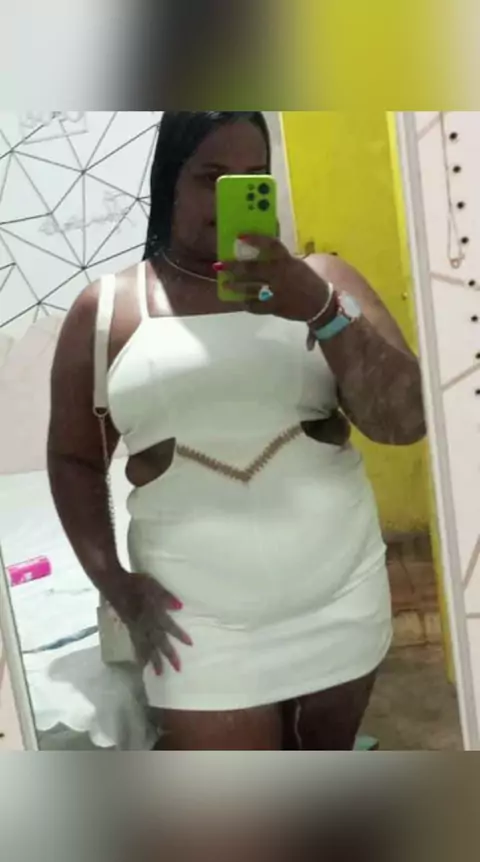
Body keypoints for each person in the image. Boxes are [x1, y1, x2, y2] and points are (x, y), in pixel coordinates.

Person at [47, 111, 425, 750]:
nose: (231, 197)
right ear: (170, 182)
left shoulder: (326, 281)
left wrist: (320, 309)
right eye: (211, 178)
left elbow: (406, 420)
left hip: (342, 596)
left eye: (253, 176)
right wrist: (115, 585)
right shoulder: (107, 311)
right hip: (196, 627)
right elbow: (73, 459)